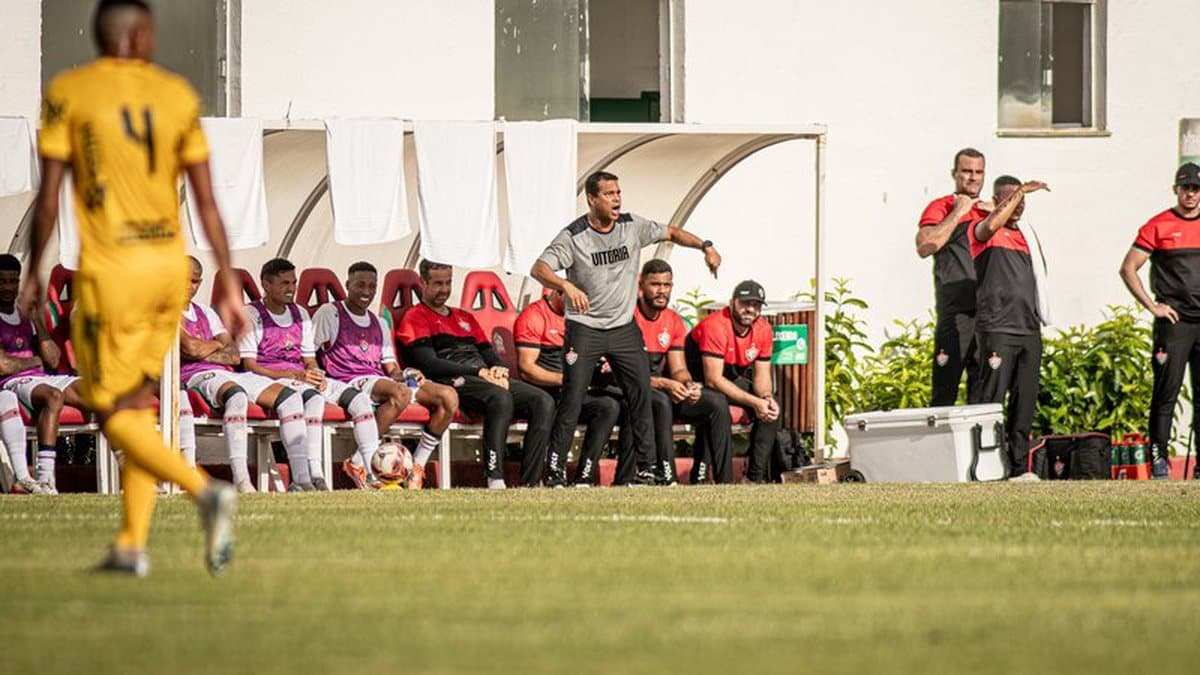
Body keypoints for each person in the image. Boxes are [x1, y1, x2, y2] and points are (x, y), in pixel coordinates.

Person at [24, 0, 245, 576]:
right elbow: (206, 200)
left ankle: (205, 492)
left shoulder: (70, 92)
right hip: (168, 270)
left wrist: (34, 271)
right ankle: (131, 545)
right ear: (145, 37)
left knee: (111, 412)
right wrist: (226, 278)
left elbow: (48, 198)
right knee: (139, 408)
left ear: (99, 37)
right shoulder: (176, 95)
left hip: (114, 271)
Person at [531, 170, 722, 486]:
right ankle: (554, 472)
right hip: (585, 328)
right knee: (573, 398)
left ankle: (646, 470)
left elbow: (671, 232)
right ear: (592, 199)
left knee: (641, 394)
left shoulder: (632, 226)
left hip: (623, 328)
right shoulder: (574, 236)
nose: (617, 199)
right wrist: (565, 284)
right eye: (609, 194)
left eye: (618, 192)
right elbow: (539, 268)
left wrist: (706, 246)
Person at [396, 260, 554, 489]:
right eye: (438, 284)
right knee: (500, 397)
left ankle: (530, 481)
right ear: (423, 283)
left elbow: (487, 351)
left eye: (448, 283)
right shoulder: (416, 316)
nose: (444, 289)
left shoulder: (464, 317)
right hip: (452, 380)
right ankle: (495, 477)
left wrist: (498, 368)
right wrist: (478, 371)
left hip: (483, 377)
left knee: (543, 401)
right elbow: (429, 364)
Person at [240, 258, 385, 489]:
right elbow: (250, 365)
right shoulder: (251, 314)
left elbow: (309, 358)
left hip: (300, 378)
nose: (291, 289)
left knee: (360, 401)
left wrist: (315, 372)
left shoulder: (300, 313)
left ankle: (371, 474)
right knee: (314, 399)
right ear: (266, 284)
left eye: (294, 283)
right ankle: (315, 475)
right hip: (271, 380)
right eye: (284, 283)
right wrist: (295, 375)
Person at [313, 261, 459, 489]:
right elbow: (308, 352)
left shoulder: (378, 322)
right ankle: (360, 462)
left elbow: (392, 369)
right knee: (400, 393)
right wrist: (314, 376)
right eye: (360, 285)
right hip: (348, 381)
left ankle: (415, 467)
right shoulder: (330, 313)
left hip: (380, 381)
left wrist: (408, 372)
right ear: (348, 285)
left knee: (448, 397)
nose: (366, 291)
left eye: (372, 286)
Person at [180, 256, 315, 493]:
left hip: (229, 372)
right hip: (194, 375)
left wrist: (205, 348)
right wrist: (215, 345)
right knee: (237, 396)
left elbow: (234, 355)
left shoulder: (206, 312)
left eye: (194, 281)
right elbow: (190, 348)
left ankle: (303, 480)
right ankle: (242, 480)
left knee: (291, 398)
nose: (188, 286)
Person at [1120, 162, 1200, 479]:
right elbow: (1128, 268)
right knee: (1166, 393)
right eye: (1185, 188)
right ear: (1175, 190)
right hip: (1174, 324)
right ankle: (1159, 460)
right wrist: (1152, 306)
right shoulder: (1158, 225)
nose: (1190, 194)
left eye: (1196, 188)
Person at [969, 175, 1051, 481]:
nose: (1018, 205)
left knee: (1024, 401)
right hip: (998, 328)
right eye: (1011, 198)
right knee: (991, 401)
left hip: (1029, 328)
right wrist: (1020, 191)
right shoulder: (981, 229)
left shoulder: (1027, 233)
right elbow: (990, 225)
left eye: (1022, 200)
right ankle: (986, 467)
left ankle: (1018, 468)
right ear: (996, 201)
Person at [624, 259, 732, 485]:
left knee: (717, 403)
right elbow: (625, 373)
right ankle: (667, 476)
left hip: (662, 388)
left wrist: (687, 385)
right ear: (641, 285)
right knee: (661, 401)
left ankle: (725, 481)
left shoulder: (673, 320)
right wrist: (664, 384)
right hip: (631, 390)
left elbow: (679, 368)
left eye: (667, 285)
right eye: (655, 284)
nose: (661, 291)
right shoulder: (627, 317)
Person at [514, 286, 620, 486]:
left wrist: (606, 363)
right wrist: (569, 381)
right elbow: (527, 369)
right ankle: (546, 477)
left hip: (573, 390)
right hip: (545, 391)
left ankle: (584, 477)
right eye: (576, 298)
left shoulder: (583, 318)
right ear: (559, 291)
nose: (581, 304)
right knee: (559, 402)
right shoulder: (534, 316)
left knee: (608, 406)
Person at [0, 254, 87, 494]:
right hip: (11, 382)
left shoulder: (26, 314)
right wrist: (36, 361)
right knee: (53, 396)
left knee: (97, 392)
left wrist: (39, 323)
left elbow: (54, 360)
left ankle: (131, 466)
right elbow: (4, 366)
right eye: (2, 281)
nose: (7, 287)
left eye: (12, 281)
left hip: (40, 377)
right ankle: (45, 477)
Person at [684, 281, 780, 484]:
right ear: (731, 303)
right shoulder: (716, 325)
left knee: (771, 409)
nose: (750, 309)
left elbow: (762, 376)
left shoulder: (763, 329)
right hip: (697, 381)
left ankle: (754, 479)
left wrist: (765, 397)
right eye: (745, 303)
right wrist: (754, 402)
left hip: (729, 378)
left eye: (756, 305)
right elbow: (713, 379)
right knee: (717, 405)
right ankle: (708, 478)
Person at [915, 148, 989, 406]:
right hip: (956, 314)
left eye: (978, 172)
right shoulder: (942, 206)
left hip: (989, 316)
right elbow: (925, 246)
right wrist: (958, 212)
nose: (973, 177)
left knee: (984, 400)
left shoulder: (991, 212)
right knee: (944, 394)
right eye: (966, 171)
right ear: (954, 174)